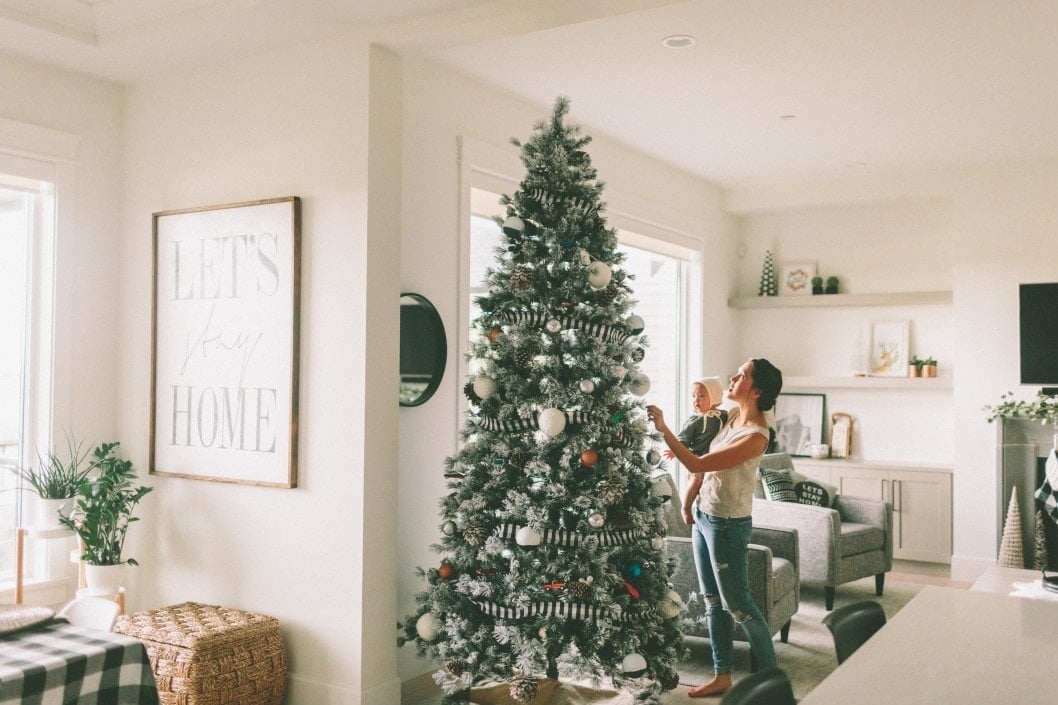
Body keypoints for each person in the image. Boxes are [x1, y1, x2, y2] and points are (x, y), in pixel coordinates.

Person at [646, 358, 783, 698]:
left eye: (742, 375)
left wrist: (664, 429)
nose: (733, 378)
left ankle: (771, 681)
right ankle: (723, 676)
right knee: (711, 601)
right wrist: (689, 500)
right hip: (706, 516)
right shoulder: (734, 417)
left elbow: (697, 462)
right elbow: (703, 471)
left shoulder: (756, 436)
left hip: (727, 525)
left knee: (739, 606)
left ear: (757, 389)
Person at [668, 377, 728, 527]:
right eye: (693, 396)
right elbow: (682, 438)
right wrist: (676, 451)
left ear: (714, 397)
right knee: (696, 482)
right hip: (697, 457)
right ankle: (686, 508)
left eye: (701, 396)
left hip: (714, 459)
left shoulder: (724, 415)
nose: (696, 400)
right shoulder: (695, 420)